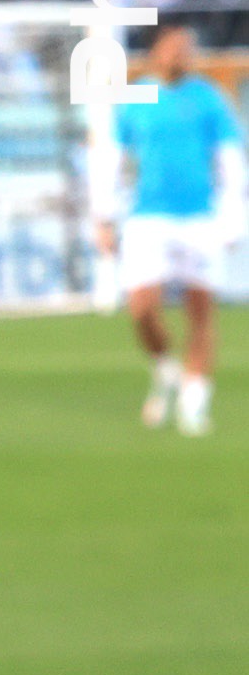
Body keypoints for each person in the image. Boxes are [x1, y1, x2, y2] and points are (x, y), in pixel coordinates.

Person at [106, 24, 242, 435]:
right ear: (156, 51)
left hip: (199, 217)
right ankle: (166, 367)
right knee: (142, 308)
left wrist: (233, 216)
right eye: (174, 47)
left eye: (187, 48)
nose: (182, 54)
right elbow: (113, 158)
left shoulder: (208, 97)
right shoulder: (136, 98)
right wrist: (104, 217)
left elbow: (230, 159)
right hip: (148, 217)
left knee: (200, 311)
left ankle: (194, 402)